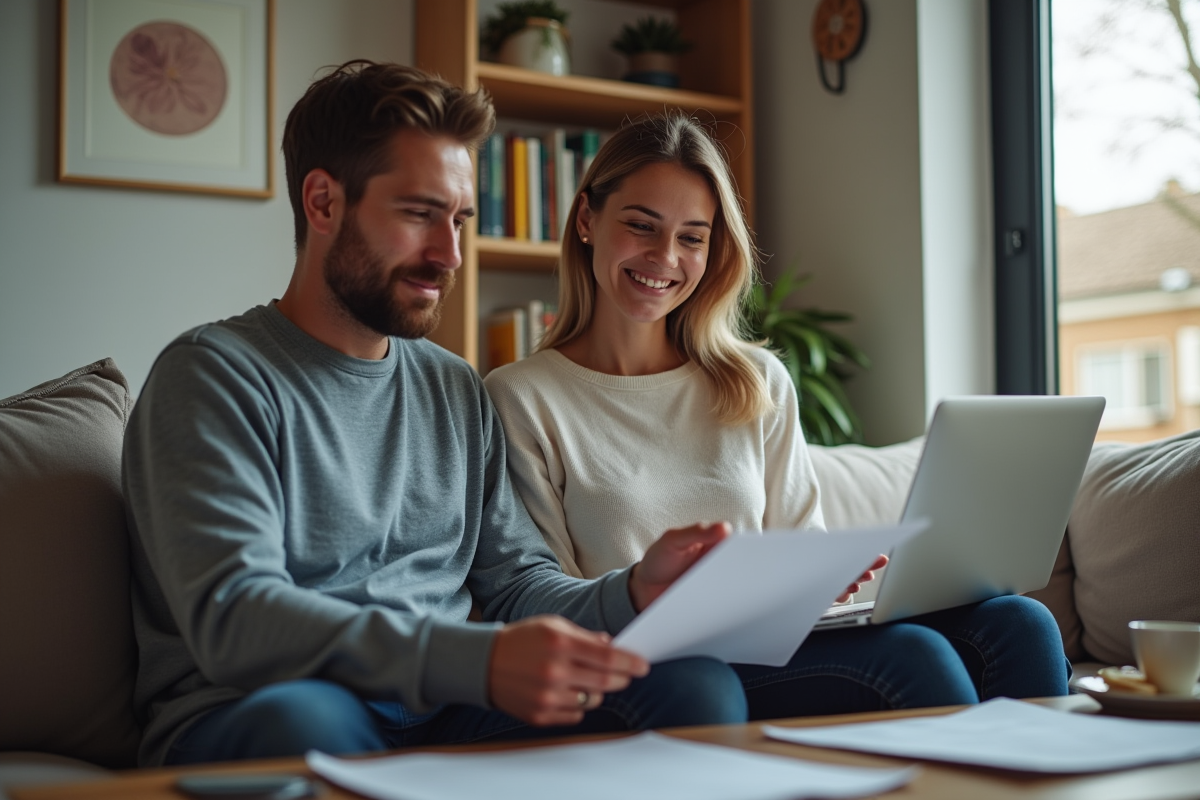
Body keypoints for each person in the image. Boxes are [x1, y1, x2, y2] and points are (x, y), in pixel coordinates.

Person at [122, 62, 752, 768]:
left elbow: (516, 585)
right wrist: (473, 661)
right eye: (420, 214)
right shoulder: (214, 374)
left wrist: (634, 591)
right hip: (267, 705)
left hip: (443, 711)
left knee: (692, 689)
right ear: (324, 203)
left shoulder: (453, 388)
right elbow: (236, 613)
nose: (449, 255)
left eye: (459, 220)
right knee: (304, 719)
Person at [483, 112, 1070, 720]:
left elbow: (798, 543)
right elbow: (539, 602)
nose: (665, 257)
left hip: (769, 646)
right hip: (652, 667)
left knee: (1019, 621)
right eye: (641, 226)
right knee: (914, 659)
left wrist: (825, 579)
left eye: (692, 237)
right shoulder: (523, 397)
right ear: (586, 220)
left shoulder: (755, 381)